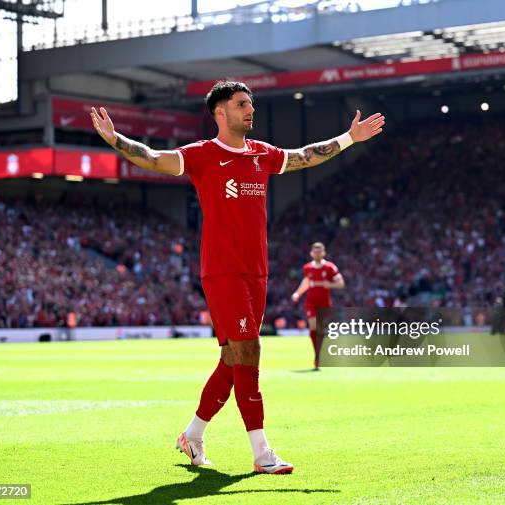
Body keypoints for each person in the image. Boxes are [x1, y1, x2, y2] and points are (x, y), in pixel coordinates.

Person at [90, 81, 384, 474]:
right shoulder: (202, 155)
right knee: (250, 352)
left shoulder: (262, 154)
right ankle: (262, 453)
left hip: (257, 271)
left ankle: (192, 435)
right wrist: (117, 140)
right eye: (242, 104)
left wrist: (350, 137)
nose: (250, 110)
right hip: (223, 270)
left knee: (233, 359)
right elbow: (154, 158)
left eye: (251, 104)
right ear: (220, 113)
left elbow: (305, 157)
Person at [291, 242, 345, 370]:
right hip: (311, 302)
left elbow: (341, 283)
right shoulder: (307, 268)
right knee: (313, 325)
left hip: (325, 303)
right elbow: (306, 281)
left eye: (320, 251)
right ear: (311, 253)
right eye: (315, 251)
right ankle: (317, 356)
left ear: (324, 253)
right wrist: (297, 293)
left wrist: (330, 285)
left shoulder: (330, 267)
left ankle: (319, 354)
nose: (317, 253)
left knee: (321, 330)